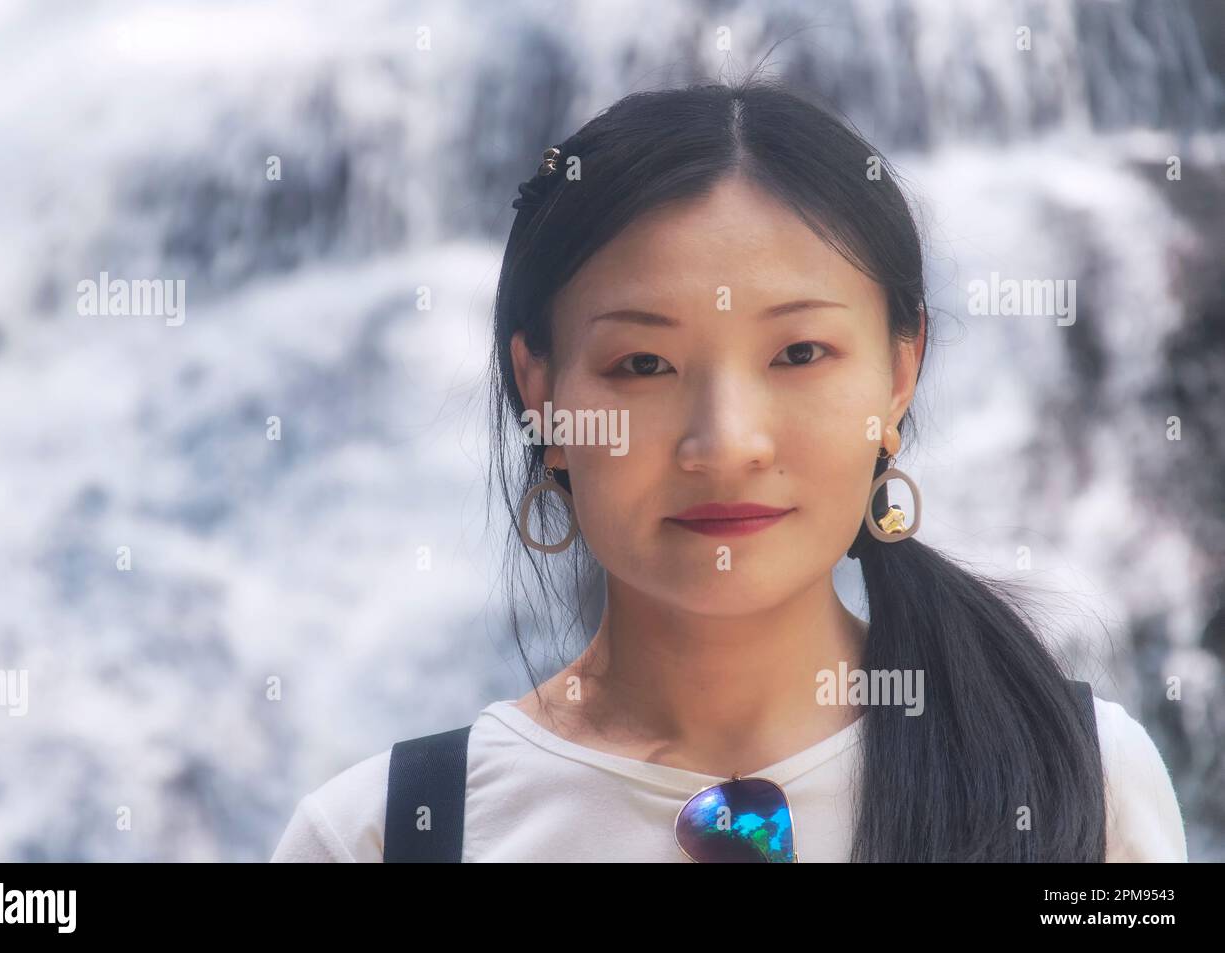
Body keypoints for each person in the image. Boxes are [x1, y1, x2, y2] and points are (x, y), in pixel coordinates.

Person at [272, 76, 1188, 862]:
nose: (725, 442)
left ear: (900, 375)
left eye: (799, 354)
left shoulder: (1081, 784)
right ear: (541, 393)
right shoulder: (385, 836)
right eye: (643, 365)